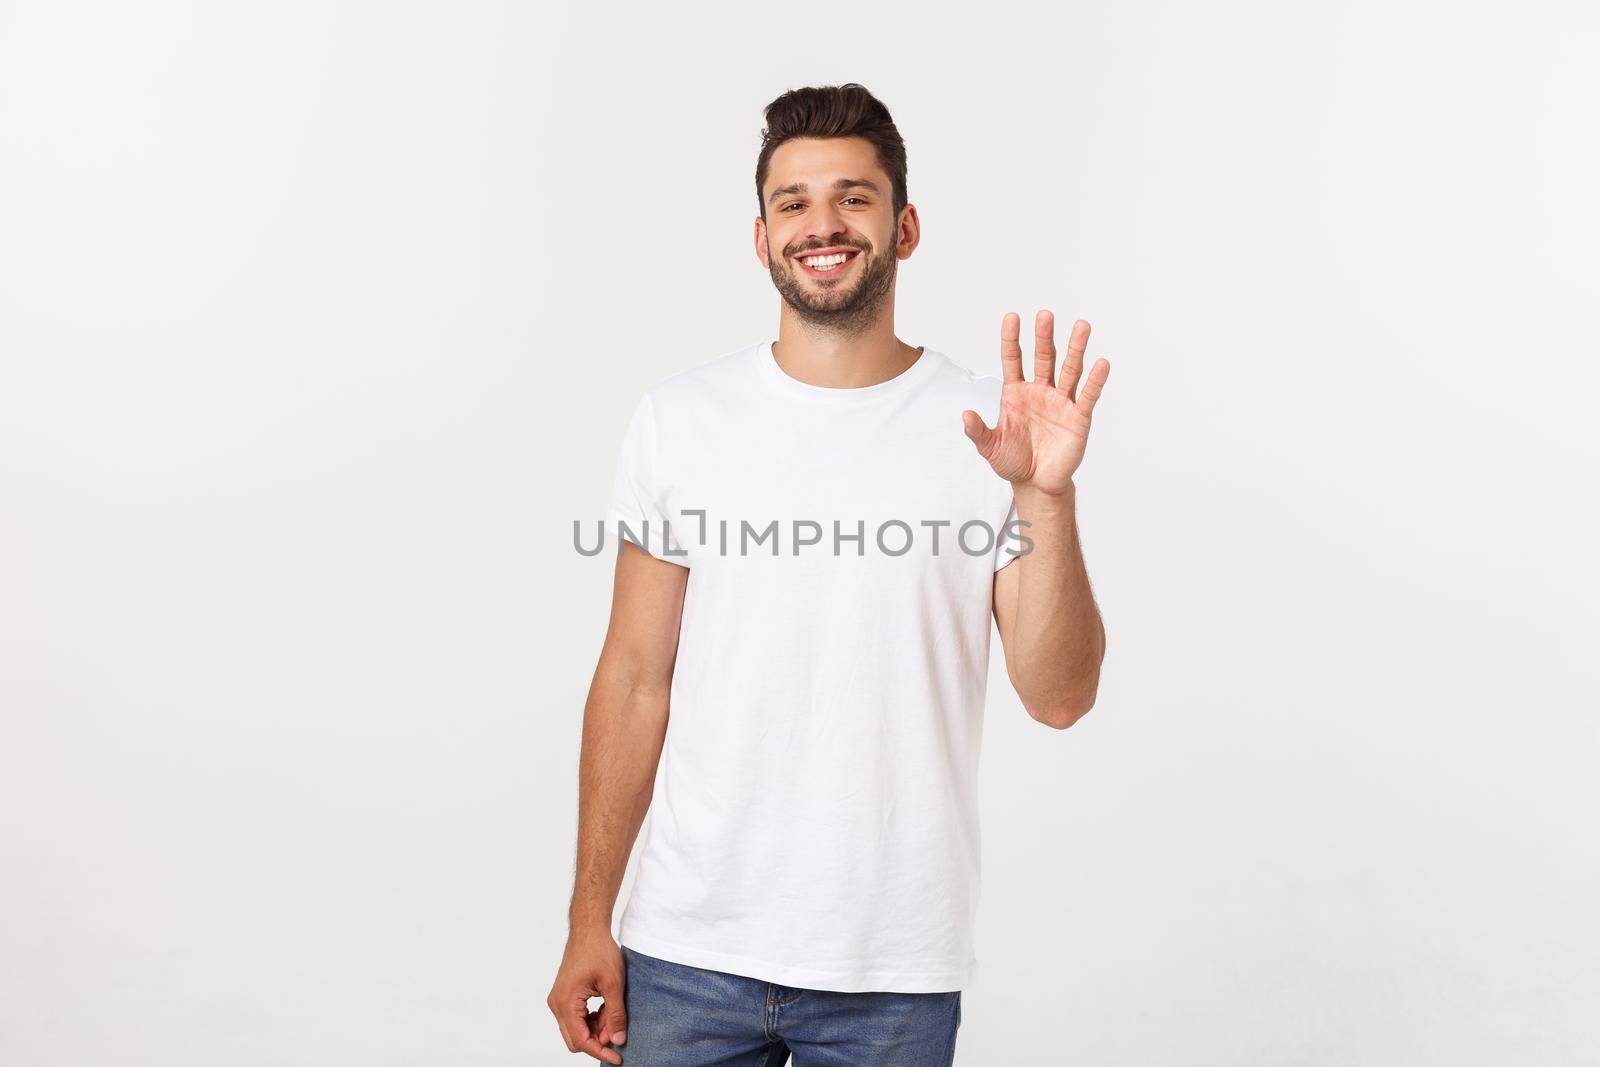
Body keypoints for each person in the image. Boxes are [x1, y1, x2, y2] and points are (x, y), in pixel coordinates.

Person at [547, 82, 1110, 1066]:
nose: (823, 224)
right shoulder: (679, 421)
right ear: (760, 237)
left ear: (905, 224)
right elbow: (635, 678)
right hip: (685, 948)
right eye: (792, 201)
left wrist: (1046, 500)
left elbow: (1058, 695)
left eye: (853, 196)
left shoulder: (990, 432)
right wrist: (588, 915)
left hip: (891, 964)